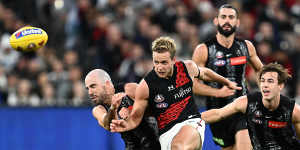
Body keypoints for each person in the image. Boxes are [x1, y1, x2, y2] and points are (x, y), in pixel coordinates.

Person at [110, 36, 242, 150]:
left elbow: (205, 73)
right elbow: (135, 119)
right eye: (156, 62)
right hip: (166, 135)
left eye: (164, 62)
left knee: (180, 146)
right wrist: (126, 124)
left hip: (192, 123)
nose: (159, 67)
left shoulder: (186, 68)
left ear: (174, 60)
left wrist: (226, 82)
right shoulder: (146, 86)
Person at [192, 4, 264, 150]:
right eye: (223, 17)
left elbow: (261, 70)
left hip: (242, 107)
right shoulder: (203, 50)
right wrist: (217, 92)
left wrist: (264, 91)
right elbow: (192, 85)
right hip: (216, 112)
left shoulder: (246, 46)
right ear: (215, 21)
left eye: (231, 17)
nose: (227, 21)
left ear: (237, 22)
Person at [201, 63, 300, 150]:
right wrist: (192, 119)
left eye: (270, 81)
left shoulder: (293, 111)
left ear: (280, 86)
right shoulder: (247, 102)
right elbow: (218, 114)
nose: (265, 85)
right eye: (263, 81)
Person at [84, 69, 161, 150]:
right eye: (87, 88)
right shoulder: (98, 110)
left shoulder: (129, 89)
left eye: (93, 86)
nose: (89, 92)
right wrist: (113, 108)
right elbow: (107, 125)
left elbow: (159, 104)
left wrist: (134, 110)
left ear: (107, 84)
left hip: (156, 142)